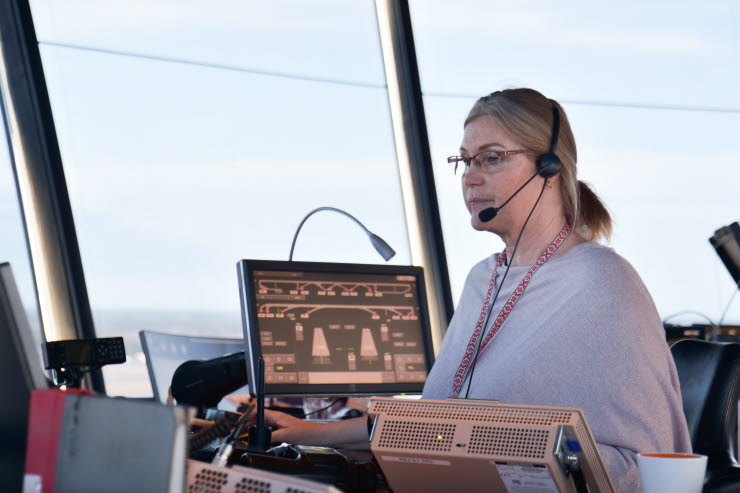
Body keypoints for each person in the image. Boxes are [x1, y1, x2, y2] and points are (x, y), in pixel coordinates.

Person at [248, 88, 692, 491]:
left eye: (492, 157)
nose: (470, 177)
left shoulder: (604, 282)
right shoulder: (485, 278)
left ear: (549, 169)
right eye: (465, 160)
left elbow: (644, 465)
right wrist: (308, 432)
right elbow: (443, 423)